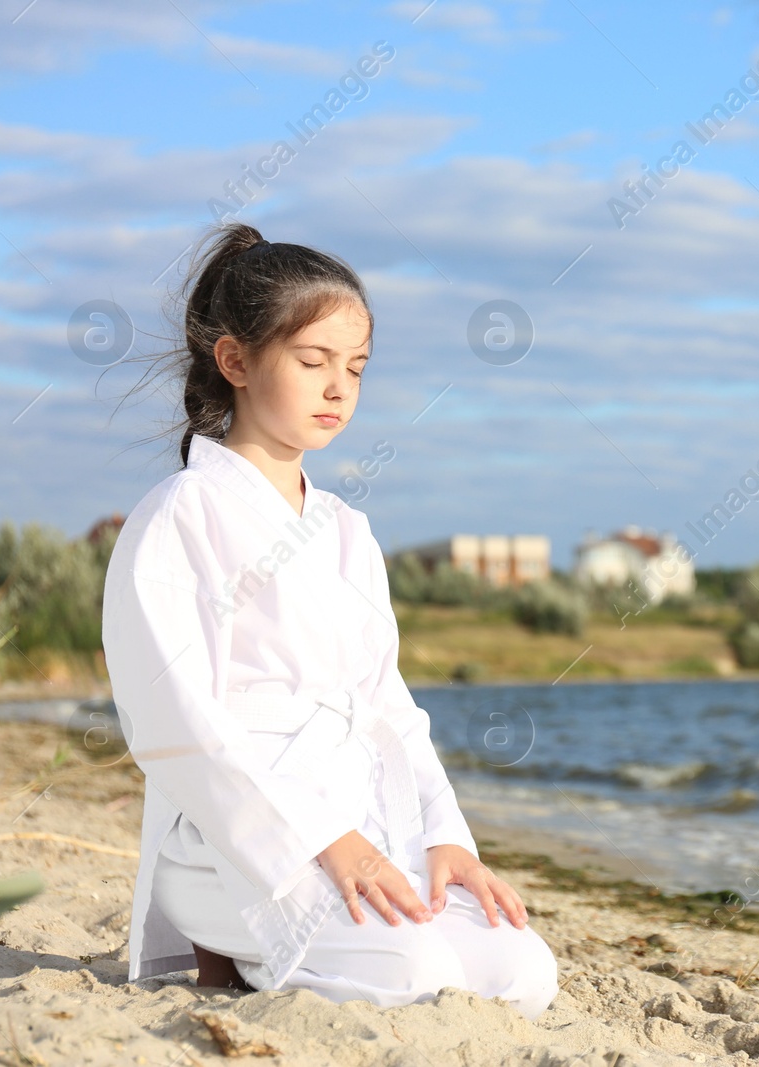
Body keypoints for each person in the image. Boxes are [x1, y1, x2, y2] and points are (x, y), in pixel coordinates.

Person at [100, 222, 557, 1020]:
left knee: (521, 970)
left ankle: (311, 936)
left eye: (356, 368)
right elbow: (173, 721)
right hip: (238, 840)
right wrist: (318, 839)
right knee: (410, 970)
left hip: (368, 826)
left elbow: (387, 706)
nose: (339, 388)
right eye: (313, 362)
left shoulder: (347, 529)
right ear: (235, 360)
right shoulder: (181, 515)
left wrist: (447, 837)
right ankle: (233, 951)